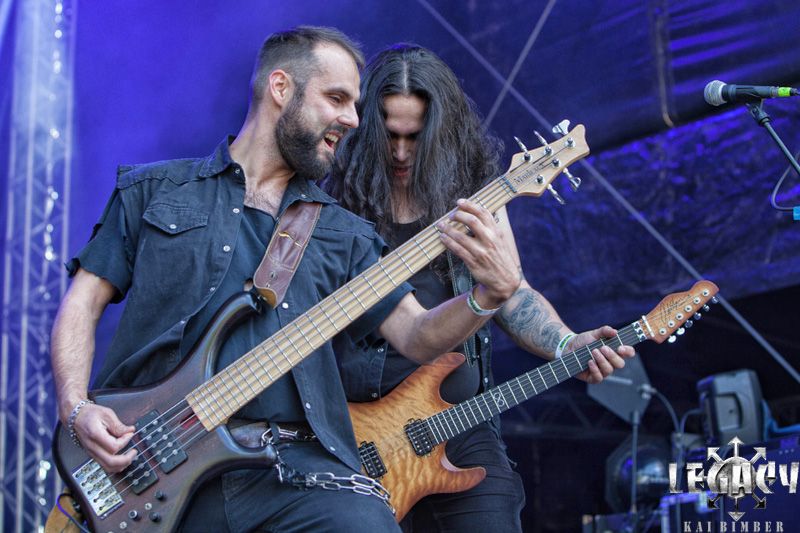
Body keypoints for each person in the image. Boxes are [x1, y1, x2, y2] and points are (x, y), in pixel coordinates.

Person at [49, 28, 524, 532]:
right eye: (336, 98)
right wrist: (76, 408)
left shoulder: (344, 234)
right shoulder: (154, 190)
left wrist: (487, 296)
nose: (353, 119)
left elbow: (416, 334)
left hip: (293, 473)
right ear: (281, 88)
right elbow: (81, 305)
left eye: (354, 104)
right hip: (150, 464)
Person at [325, 44, 635, 532]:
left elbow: (510, 290)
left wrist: (565, 343)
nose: (401, 153)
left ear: (439, 131)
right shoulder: (333, 200)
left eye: (415, 137)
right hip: (354, 429)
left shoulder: (474, 194)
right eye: (390, 136)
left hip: (457, 422)